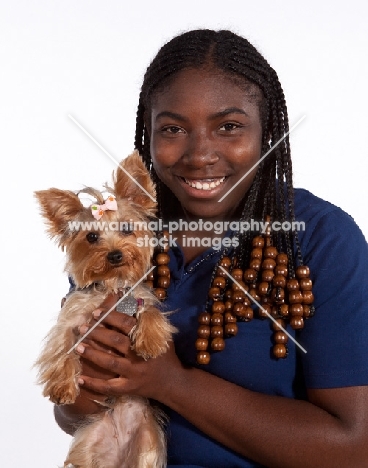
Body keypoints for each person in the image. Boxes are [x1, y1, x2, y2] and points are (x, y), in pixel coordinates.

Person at [54, 29, 368, 467]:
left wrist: (171, 383)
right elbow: (72, 414)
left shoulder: (322, 238)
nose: (199, 154)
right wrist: (93, 375)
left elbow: (354, 448)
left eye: (229, 126)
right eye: (173, 129)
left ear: (268, 130)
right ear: (147, 134)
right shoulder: (118, 232)